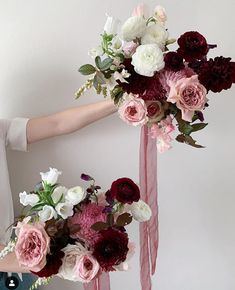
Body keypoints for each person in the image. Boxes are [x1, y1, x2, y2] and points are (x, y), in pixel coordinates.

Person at [0, 99, 117, 289]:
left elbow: (58, 123)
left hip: (20, 265)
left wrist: (118, 100)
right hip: (20, 261)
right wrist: (53, 262)